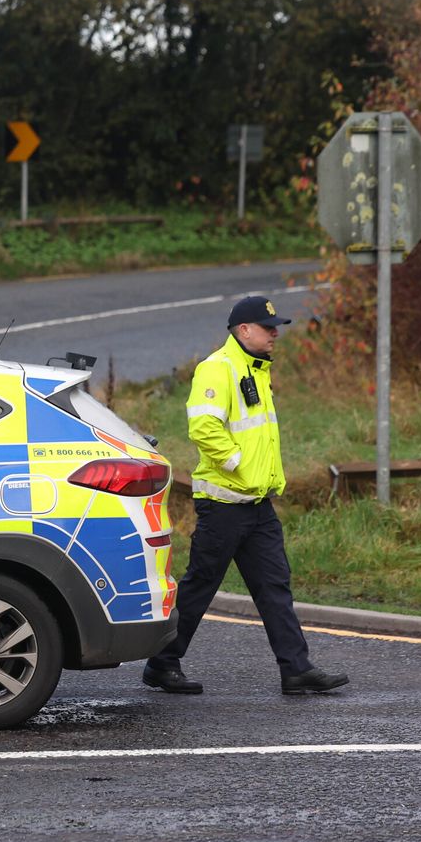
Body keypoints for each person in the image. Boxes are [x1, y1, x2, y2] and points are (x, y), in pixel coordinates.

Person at [143, 295, 349, 696]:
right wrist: (238, 463)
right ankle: (162, 663)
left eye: (276, 327)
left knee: (275, 587)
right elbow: (203, 428)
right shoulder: (217, 368)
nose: (275, 334)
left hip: (257, 505)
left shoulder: (256, 370)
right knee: (200, 585)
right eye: (268, 327)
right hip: (224, 505)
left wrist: (259, 477)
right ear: (243, 330)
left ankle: (296, 669)